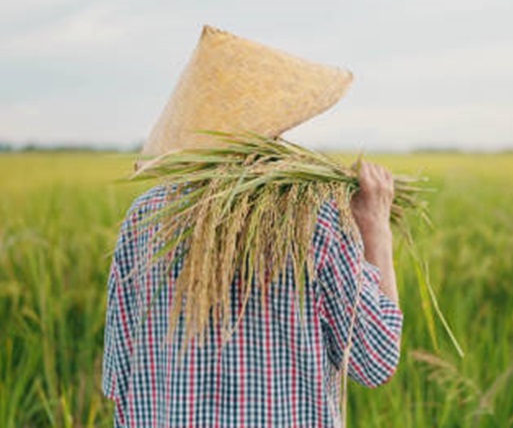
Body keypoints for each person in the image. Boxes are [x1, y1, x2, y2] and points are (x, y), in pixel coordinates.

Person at [102, 26, 403, 427]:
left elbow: (118, 380)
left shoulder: (144, 218)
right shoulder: (315, 220)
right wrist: (375, 227)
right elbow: (376, 359)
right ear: (272, 132)